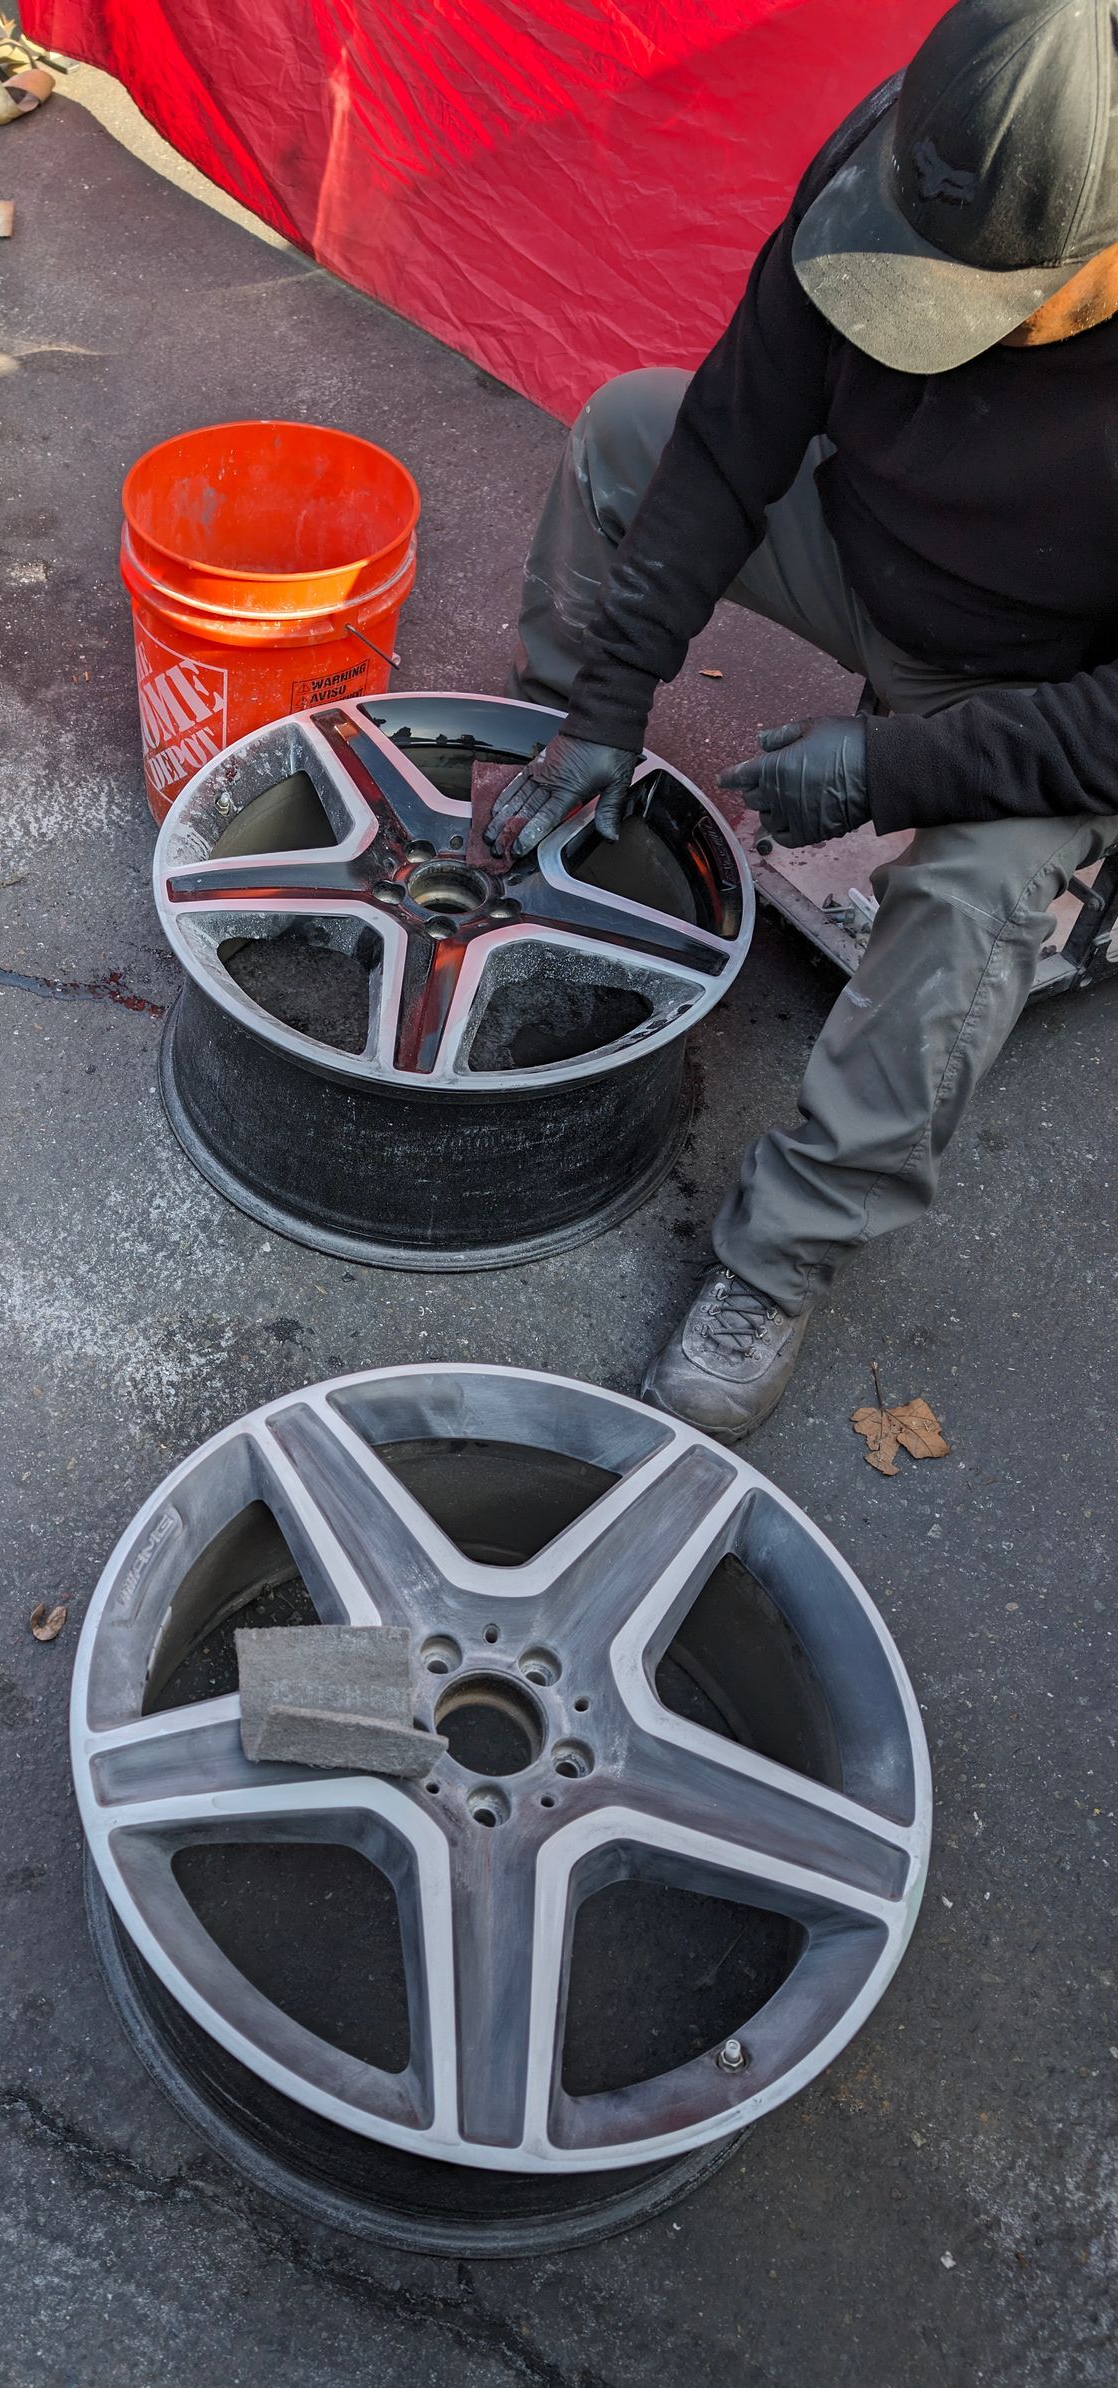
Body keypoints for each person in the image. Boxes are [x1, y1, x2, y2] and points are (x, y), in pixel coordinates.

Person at [484, 0, 1118, 1440]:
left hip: (1032, 690)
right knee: (627, 432)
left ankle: (779, 1260)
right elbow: (729, 435)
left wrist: (896, 767)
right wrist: (608, 700)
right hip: (859, 540)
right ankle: (553, 792)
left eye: (968, 302)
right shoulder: (897, 160)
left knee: (977, 892)